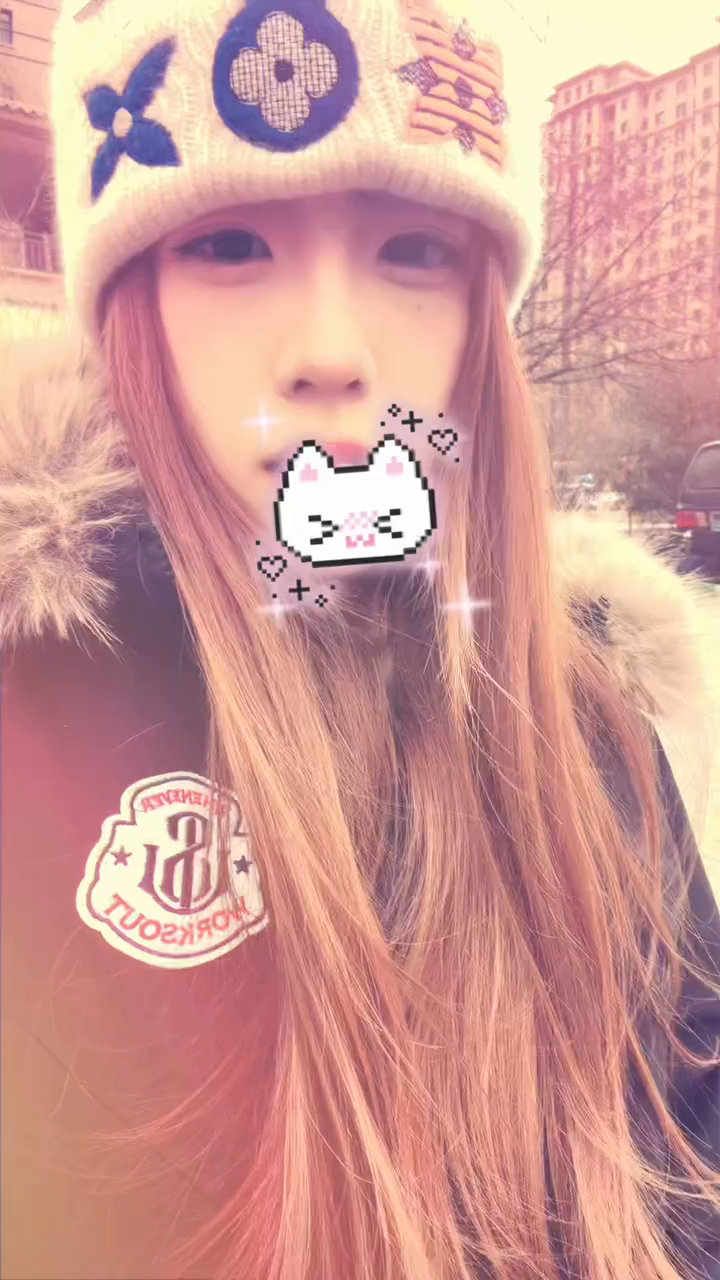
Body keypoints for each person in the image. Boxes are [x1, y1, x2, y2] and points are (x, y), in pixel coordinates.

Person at [1, 1, 719, 1278]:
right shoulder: (29, 718)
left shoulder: (593, 731)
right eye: (229, 243)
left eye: (413, 250)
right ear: (129, 303)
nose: (331, 351)